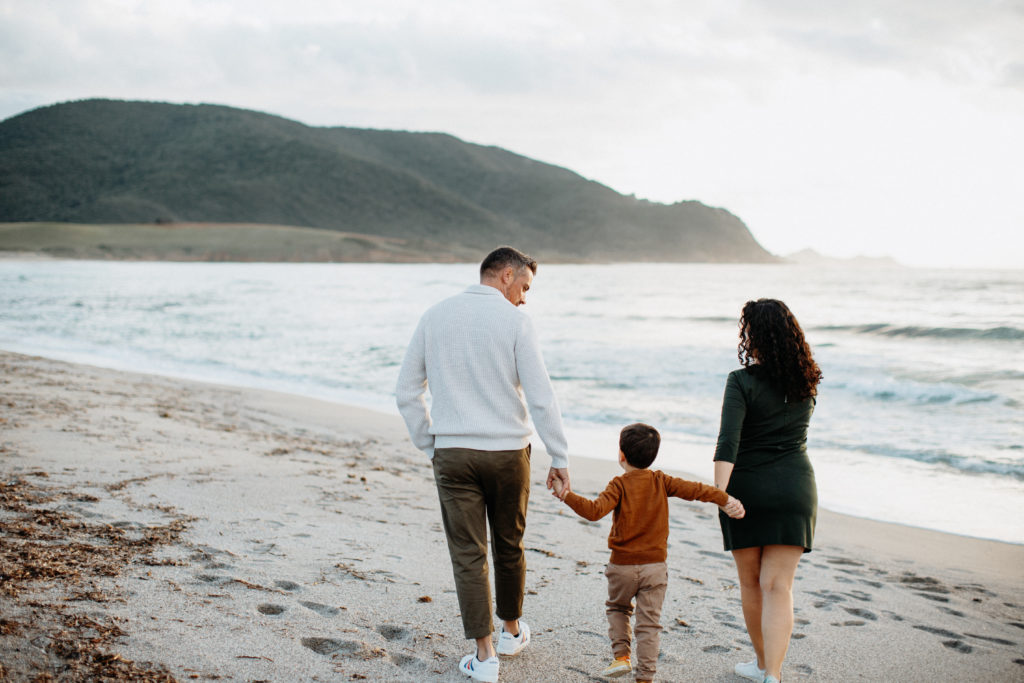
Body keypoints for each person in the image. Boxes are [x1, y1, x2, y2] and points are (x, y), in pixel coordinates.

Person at [395, 246, 571, 683]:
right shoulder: (516, 323)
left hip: (453, 454)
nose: (526, 297)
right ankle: (512, 631)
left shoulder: (434, 316)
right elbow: (540, 394)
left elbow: (406, 391)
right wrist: (560, 455)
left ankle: (485, 655)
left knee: (468, 555)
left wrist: (430, 443)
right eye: (525, 287)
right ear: (506, 274)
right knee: (509, 544)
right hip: (509, 453)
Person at [553, 423, 745, 683]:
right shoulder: (662, 481)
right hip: (655, 568)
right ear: (653, 456)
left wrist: (566, 495)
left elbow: (594, 511)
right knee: (649, 624)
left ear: (621, 455)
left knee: (618, 608)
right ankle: (645, 678)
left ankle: (621, 657)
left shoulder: (618, 485)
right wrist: (724, 499)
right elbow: (696, 490)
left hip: (621, 566)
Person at [712, 299, 822, 683]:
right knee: (779, 586)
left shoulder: (740, 380)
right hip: (797, 488)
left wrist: (719, 494)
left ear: (753, 335)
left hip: (748, 489)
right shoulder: (807, 381)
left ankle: (761, 663)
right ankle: (772, 675)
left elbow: (728, 442)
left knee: (751, 583)